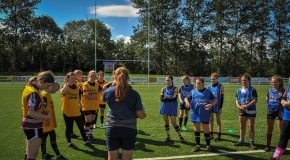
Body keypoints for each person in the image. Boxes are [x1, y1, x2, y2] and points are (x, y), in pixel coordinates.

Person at [103, 67, 146, 160]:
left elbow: (103, 92)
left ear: (115, 77)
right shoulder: (134, 94)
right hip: (129, 129)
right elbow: (142, 115)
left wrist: (113, 83)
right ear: (128, 78)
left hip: (112, 128)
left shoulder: (108, 92)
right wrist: (141, 109)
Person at [21, 71, 55, 160]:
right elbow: (31, 112)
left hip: (30, 125)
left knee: (29, 153)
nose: (48, 88)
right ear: (42, 81)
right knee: (32, 156)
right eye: (47, 86)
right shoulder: (34, 93)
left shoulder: (31, 86)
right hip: (33, 126)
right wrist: (47, 117)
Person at [184, 77, 218, 152]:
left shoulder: (208, 91)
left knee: (206, 129)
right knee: (197, 129)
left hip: (205, 113)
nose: (197, 85)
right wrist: (187, 102)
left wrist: (211, 105)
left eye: (199, 83)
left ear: (203, 84)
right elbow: (186, 98)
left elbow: (215, 99)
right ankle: (198, 146)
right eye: (196, 83)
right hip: (195, 114)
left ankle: (208, 146)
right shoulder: (193, 92)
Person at [60, 72, 90, 147]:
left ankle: (85, 140)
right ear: (67, 79)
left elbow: (79, 96)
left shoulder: (77, 87)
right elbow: (62, 92)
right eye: (71, 78)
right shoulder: (64, 87)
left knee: (81, 127)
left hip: (76, 111)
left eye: (74, 78)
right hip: (67, 112)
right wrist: (66, 84)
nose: (73, 79)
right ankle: (69, 142)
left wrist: (79, 103)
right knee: (68, 128)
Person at [41, 83, 67, 160]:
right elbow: (43, 109)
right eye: (53, 87)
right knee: (52, 138)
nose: (54, 89)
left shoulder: (46, 94)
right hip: (47, 122)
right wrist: (45, 120)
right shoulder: (45, 94)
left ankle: (44, 155)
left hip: (48, 121)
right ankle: (58, 155)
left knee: (44, 139)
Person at [234, 73, 258, 150]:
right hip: (242, 110)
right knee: (242, 126)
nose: (243, 81)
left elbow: (255, 100)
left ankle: (251, 142)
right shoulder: (238, 90)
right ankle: (241, 140)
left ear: (248, 80)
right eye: (242, 80)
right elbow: (236, 100)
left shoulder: (252, 89)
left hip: (251, 110)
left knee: (251, 127)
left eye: (245, 80)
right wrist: (239, 106)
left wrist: (246, 106)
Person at [160, 75, 185, 143]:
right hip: (164, 107)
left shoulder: (175, 88)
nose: (167, 81)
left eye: (168, 80)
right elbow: (161, 99)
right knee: (166, 122)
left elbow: (174, 98)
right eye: (166, 80)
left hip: (172, 108)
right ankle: (168, 136)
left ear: (172, 80)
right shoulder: (163, 89)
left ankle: (181, 136)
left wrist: (166, 98)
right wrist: (167, 99)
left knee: (174, 123)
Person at [264, 75, 285, 152]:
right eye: (272, 82)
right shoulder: (270, 90)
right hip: (270, 111)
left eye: (275, 82)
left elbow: (285, 101)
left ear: (279, 82)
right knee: (270, 129)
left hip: (280, 112)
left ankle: (281, 148)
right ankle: (268, 146)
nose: (273, 83)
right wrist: (270, 104)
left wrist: (281, 106)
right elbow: (267, 97)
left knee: (281, 130)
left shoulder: (283, 91)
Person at [271, 85, 290, 160]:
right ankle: (276, 158)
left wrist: (285, 103)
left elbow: (284, 103)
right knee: (283, 138)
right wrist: (284, 102)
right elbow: (283, 99)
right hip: (286, 117)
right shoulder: (289, 88)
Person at [82, 70, 100, 142]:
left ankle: (90, 134)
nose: (93, 77)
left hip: (95, 105)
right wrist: (95, 97)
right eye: (92, 75)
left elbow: (101, 90)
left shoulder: (97, 84)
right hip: (87, 106)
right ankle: (85, 135)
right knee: (88, 120)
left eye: (94, 76)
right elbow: (86, 95)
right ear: (89, 76)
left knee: (92, 121)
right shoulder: (85, 84)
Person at [208, 73, 224, 141]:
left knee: (218, 121)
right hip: (211, 105)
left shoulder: (221, 86)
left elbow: (222, 98)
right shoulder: (208, 87)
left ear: (217, 79)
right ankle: (211, 135)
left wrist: (220, 107)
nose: (213, 80)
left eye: (214, 79)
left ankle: (219, 136)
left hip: (217, 105)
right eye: (212, 79)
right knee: (211, 120)